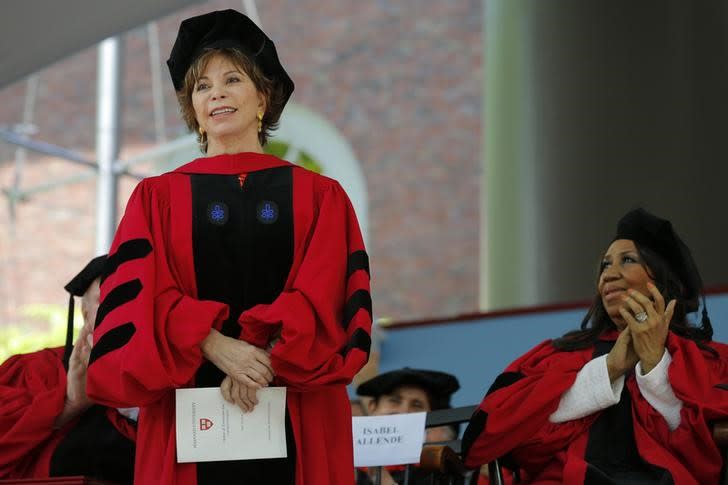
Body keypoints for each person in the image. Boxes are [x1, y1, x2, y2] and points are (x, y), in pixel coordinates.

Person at [85, 9, 372, 485]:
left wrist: (256, 357)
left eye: (232, 79)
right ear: (193, 110)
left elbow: (327, 292)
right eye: (201, 86)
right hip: (188, 406)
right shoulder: (156, 198)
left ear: (263, 97)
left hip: (293, 397)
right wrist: (217, 346)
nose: (215, 92)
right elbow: (142, 296)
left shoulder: (323, 197)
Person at [462, 208, 728, 484]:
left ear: (663, 279)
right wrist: (608, 370)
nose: (609, 275)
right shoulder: (558, 354)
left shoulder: (709, 360)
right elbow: (486, 439)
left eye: (627, 260)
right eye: (605, 265)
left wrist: (655, 366)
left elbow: (704, 454)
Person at [0, 256, 136, 481]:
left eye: (130, 300)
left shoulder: (180, 381)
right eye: (107, 301)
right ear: (85, 313)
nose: (120, 312)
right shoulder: (36, 370)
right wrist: (70, 405)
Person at [355, 368, 460, 485]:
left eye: (417, 405)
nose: (404, 411)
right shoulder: (347, 463)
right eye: (394, 401)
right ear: (372, 407)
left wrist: (382, 479)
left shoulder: (438, 471)